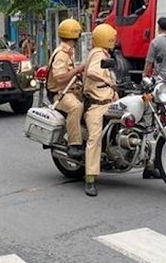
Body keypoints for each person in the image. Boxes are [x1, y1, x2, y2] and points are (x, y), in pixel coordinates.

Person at [82, 23, 119, 197]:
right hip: (97, 104)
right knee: (94, 138)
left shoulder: (105, 54)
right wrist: (109, 82)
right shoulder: (98, 54)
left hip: (110, 102)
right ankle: (90, 178)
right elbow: (91, 72)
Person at [47, 18, 85, 158]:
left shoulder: (69, 51)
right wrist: (77, 70)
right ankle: (74, 144)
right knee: (76, 107)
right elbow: (59, 78)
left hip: (71, 90)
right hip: (60, 94)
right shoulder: (62, 54)